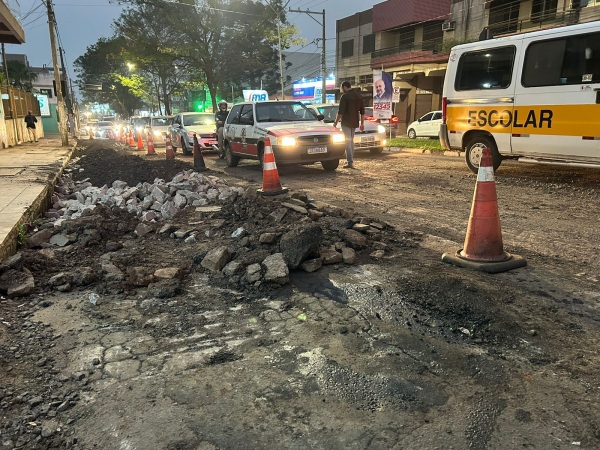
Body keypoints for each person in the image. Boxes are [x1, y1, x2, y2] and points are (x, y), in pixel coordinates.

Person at [334, 81, 364, 169]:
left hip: (346, 122)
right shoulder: (359, 96)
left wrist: (335, 122)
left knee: (348, 141)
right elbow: (362, 111)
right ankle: (350, 161)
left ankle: (350, 162)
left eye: (341, 87)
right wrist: (362, 123)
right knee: (351, 141)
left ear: (344, 87)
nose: (341, 89)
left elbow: (341, 112)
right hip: (355, 122)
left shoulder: (345, 96)